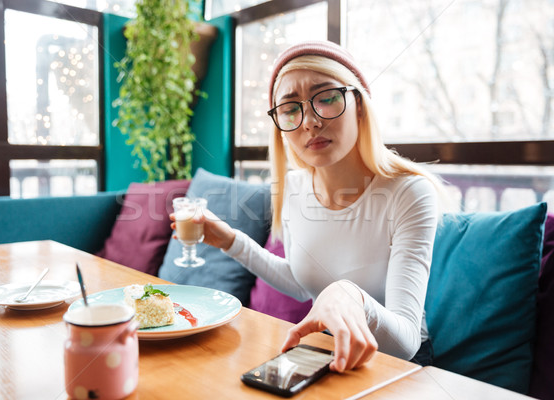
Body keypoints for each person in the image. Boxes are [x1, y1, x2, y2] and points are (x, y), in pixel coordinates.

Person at [172, 40, 448, 372]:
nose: (309, 122)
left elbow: (405, 344)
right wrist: (230, 240)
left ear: (358, 104)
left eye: (327, 98)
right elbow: (302, 284)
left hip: (395, 365)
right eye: (290, 108)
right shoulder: (294, 188)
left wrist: (350, 296)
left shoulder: (410, 192)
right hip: (322, 350)